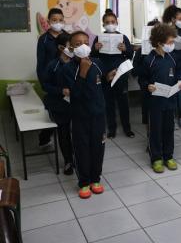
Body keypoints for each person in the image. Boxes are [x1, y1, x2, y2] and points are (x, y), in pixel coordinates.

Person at [63, 31, 114, 199]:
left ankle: (95, 179)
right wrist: (83, 72)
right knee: (82, 149)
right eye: (78, 44)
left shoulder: (97, 63)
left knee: (98, 148)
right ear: (71, 47)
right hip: (79, 116)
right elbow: (75, 94)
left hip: (98, 114)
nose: (83, 46)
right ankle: (84, 182)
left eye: (86, 42)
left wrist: (110, 77)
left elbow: (102, 84)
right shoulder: (68, 68)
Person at [139, 23, 181, 173]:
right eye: (170, 42)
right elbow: (142, 79)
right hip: (155, 103)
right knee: (155, 131)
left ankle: (168, 156)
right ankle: (156, 158)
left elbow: (177, 75)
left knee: (168, 130)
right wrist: (148, 86)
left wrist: (180, 83)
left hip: (170, 101)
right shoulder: (149, 60)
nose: (172, 45)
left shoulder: (172, 57)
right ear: (159, 43)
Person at [91, 10, 134, 139]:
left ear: (117, 22)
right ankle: (112, 129)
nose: (110, 24)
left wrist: (125, 49)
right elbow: (93, 57)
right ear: (103, 24)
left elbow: (131, 55)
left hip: (120, 75)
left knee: (123, 103)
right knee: (108, 103)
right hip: (105, 76)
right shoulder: (99, 38)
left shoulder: (123, 37)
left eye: (113, 22)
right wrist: (95, 49)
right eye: (107, 22)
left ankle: (127, 128)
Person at [43, 32, 74, 175]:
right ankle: (68, 160)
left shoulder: (77, 63)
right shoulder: (53, 65)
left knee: (78, 132)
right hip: (59, 105)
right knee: (64, 132)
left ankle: (78, 156)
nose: (74, 48)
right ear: (61, 48)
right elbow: (46, 86)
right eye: (71, 46)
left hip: (76, 104)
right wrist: (61, 90)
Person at [37, 8, 67, 147]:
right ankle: (45, 136)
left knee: (64, 116)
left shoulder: (68, 36)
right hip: (51, 82)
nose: (58, 23)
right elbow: (41, 63)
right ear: (49, 21)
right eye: (54, 20)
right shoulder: (43, 39)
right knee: (53, 112)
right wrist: (44, 83)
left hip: (66, 80)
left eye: (60, 20)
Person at [163, 5, 181, 129]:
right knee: (170, 91)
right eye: (180, 18)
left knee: (180, 91)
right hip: (170, 65)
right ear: (173, 19)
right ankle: (171, 118)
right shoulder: (167, 31)